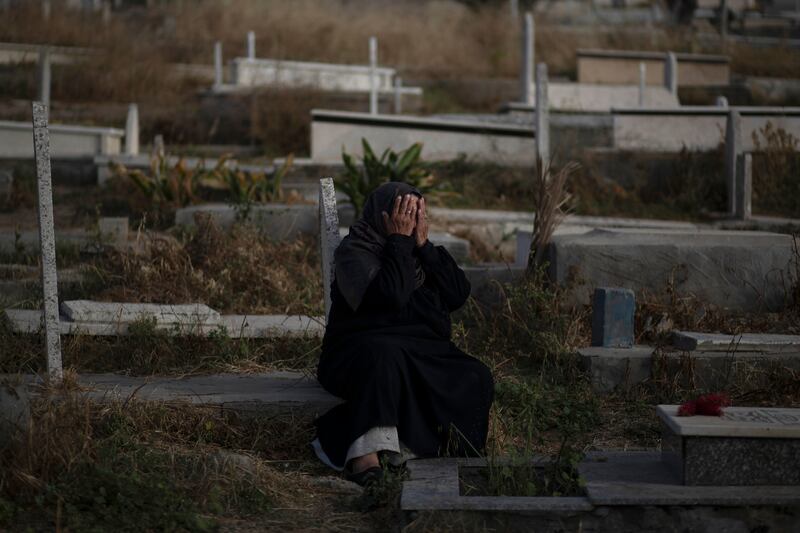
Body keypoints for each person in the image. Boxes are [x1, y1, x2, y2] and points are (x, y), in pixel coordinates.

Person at [311, 181, 494, 486]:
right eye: (403, 212)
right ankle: (363, 457)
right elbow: (391, 297)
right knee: (384, 357)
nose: (411, 220)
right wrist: (398, 241)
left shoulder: (420, 253)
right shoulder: (355, 251)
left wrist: (424, 247)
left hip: (419, 349)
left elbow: (458, 293)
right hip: (359, 350)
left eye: (417, 212)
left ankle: (433, 448)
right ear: (383, 215)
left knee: (476, 375)